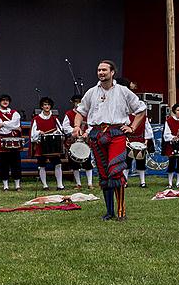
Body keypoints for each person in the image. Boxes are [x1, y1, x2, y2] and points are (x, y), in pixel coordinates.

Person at [72, 60, 146, 221]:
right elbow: (80, 112)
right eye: (99, 70)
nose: (101, 72)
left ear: (112, 72)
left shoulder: (123, 91)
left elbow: (141, 109)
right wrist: (77, 126)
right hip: (97, 134)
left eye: (104, 70)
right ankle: (109, 211)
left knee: (115, 171)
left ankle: (121, 211)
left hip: (116, 133)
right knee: (104, 175)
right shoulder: (91, 92)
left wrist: (132, 127)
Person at [30, 96, 68, 190]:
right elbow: (33, 134)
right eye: (45, 105)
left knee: (58, 164)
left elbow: (60, 131)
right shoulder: (36, 119)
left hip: (53, 146)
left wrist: (57, 133)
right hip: (41, 145)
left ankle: (60, 185)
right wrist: (39, 132)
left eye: (48, 105)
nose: (47, 106)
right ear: (42, 107)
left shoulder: (55, 119)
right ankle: (45, 185)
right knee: (42, 165)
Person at [0, 94, 23, 191]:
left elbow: (16, 122)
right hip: (1, 143)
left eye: (7, 100)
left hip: (14, 142)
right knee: (3, 164)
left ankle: (17, 185)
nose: (5, 102)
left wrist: (3, 123)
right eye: (3, 100)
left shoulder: (15, 113)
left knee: (16, 164)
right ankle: (5, 185)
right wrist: (13, 127)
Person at [63, 94, 93, 189]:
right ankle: (78, 183)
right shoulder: (69, 114)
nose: (78, 103)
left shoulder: (87, 113)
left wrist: (87, 133)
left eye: (80, 101)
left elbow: (92, 125)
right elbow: (65, 126)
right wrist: (73, 131)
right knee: (74, 163)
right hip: (74, 141)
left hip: (85, 140)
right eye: (76, 101)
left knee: (87, 162)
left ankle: (90, 183)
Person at [124, 111, 154, 188]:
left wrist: (146, 142)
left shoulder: (144, 118)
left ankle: (142, 182)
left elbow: (148, 130)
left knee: (141, 162)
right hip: (129, 142)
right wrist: (126, 140)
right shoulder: (127, 116)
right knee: (127, 163)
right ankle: (124, 181)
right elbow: (123, 129)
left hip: (140, 141)